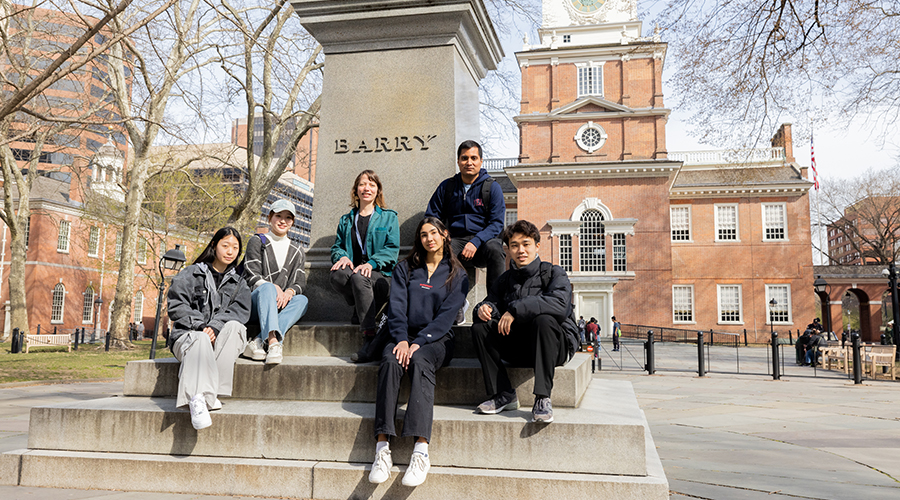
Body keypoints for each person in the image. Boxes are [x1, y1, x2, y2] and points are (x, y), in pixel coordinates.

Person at [369, 217, 468, 487]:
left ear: (445, 235)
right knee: (390, 361)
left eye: (434, 233)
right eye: (423, 235)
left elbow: (447, 317)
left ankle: (421, 450)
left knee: (421, 362)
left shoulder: (457, 274)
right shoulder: (405, 268)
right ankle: (381, 448)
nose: (429, 239)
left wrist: (420, 341)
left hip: (438, 339)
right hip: (402, 335)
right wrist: (401, 339)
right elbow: (396, 307)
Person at [471, 220, 578, 424]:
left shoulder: (554, 273)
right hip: (520, 346)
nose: (521, 250)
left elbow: (560, 305)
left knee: (544, 319)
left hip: (554, 346)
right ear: (508, 250)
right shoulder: (504, 280)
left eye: (526, 244)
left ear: (537, 246)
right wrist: (483, 309)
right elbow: (491, 302)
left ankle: (543, 397)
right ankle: (503, 393)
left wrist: (515, 310)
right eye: (514, 245)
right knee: (480, 328)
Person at [167, 227, 251, 430]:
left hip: (222, 342)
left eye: (235, 248)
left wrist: (215, 326)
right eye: (225, 245)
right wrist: (201, 326)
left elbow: (240, 311)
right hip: (190, 339)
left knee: (234, 326)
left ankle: (209, 394)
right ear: (214, 245)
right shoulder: (191, 273)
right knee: (201, 339)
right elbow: (177, 305)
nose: (230, 251)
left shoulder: (240, 284)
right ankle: (198, 401)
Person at [330, 170, 400, 352]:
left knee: (361, 276)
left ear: (378, 190)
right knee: (337, 275)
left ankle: (370, 335)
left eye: (371, 184)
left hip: (381, 277)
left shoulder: (389, 217)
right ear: (356, 190)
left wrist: (371, 263)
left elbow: (392, 250)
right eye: (362, 184)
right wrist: (342, 256)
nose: (366, 188)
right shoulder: (346, 220)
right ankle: (363, 306)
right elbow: (336, 247)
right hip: (355, 275)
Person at [425, 140, 506, 291]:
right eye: (464, 158)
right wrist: (441, 234)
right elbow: (431, 217)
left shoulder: (492, 187)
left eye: (473, 158)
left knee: (496, 249)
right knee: (439, 251)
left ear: (481, 161)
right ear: (458, 161)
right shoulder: (446, 187)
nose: (469, 162)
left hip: (483, 243)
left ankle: (495, 303)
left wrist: (476, 241)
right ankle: (437, 300)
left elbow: (496, 223)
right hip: (455, 240)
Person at [242, 199, 309, 365]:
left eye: (288, 217)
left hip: (280, 304)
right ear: (270, 217)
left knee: (302, 300)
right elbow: (251, 275)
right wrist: (272, 287)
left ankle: (257, 341)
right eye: (278, 216)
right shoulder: (258, 241)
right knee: (267, 289)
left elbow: (299, 282)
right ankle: (273, 342)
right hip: (256, 304)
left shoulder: (297, 250)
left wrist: (289, 292)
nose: (282, 221)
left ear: (292, 222)